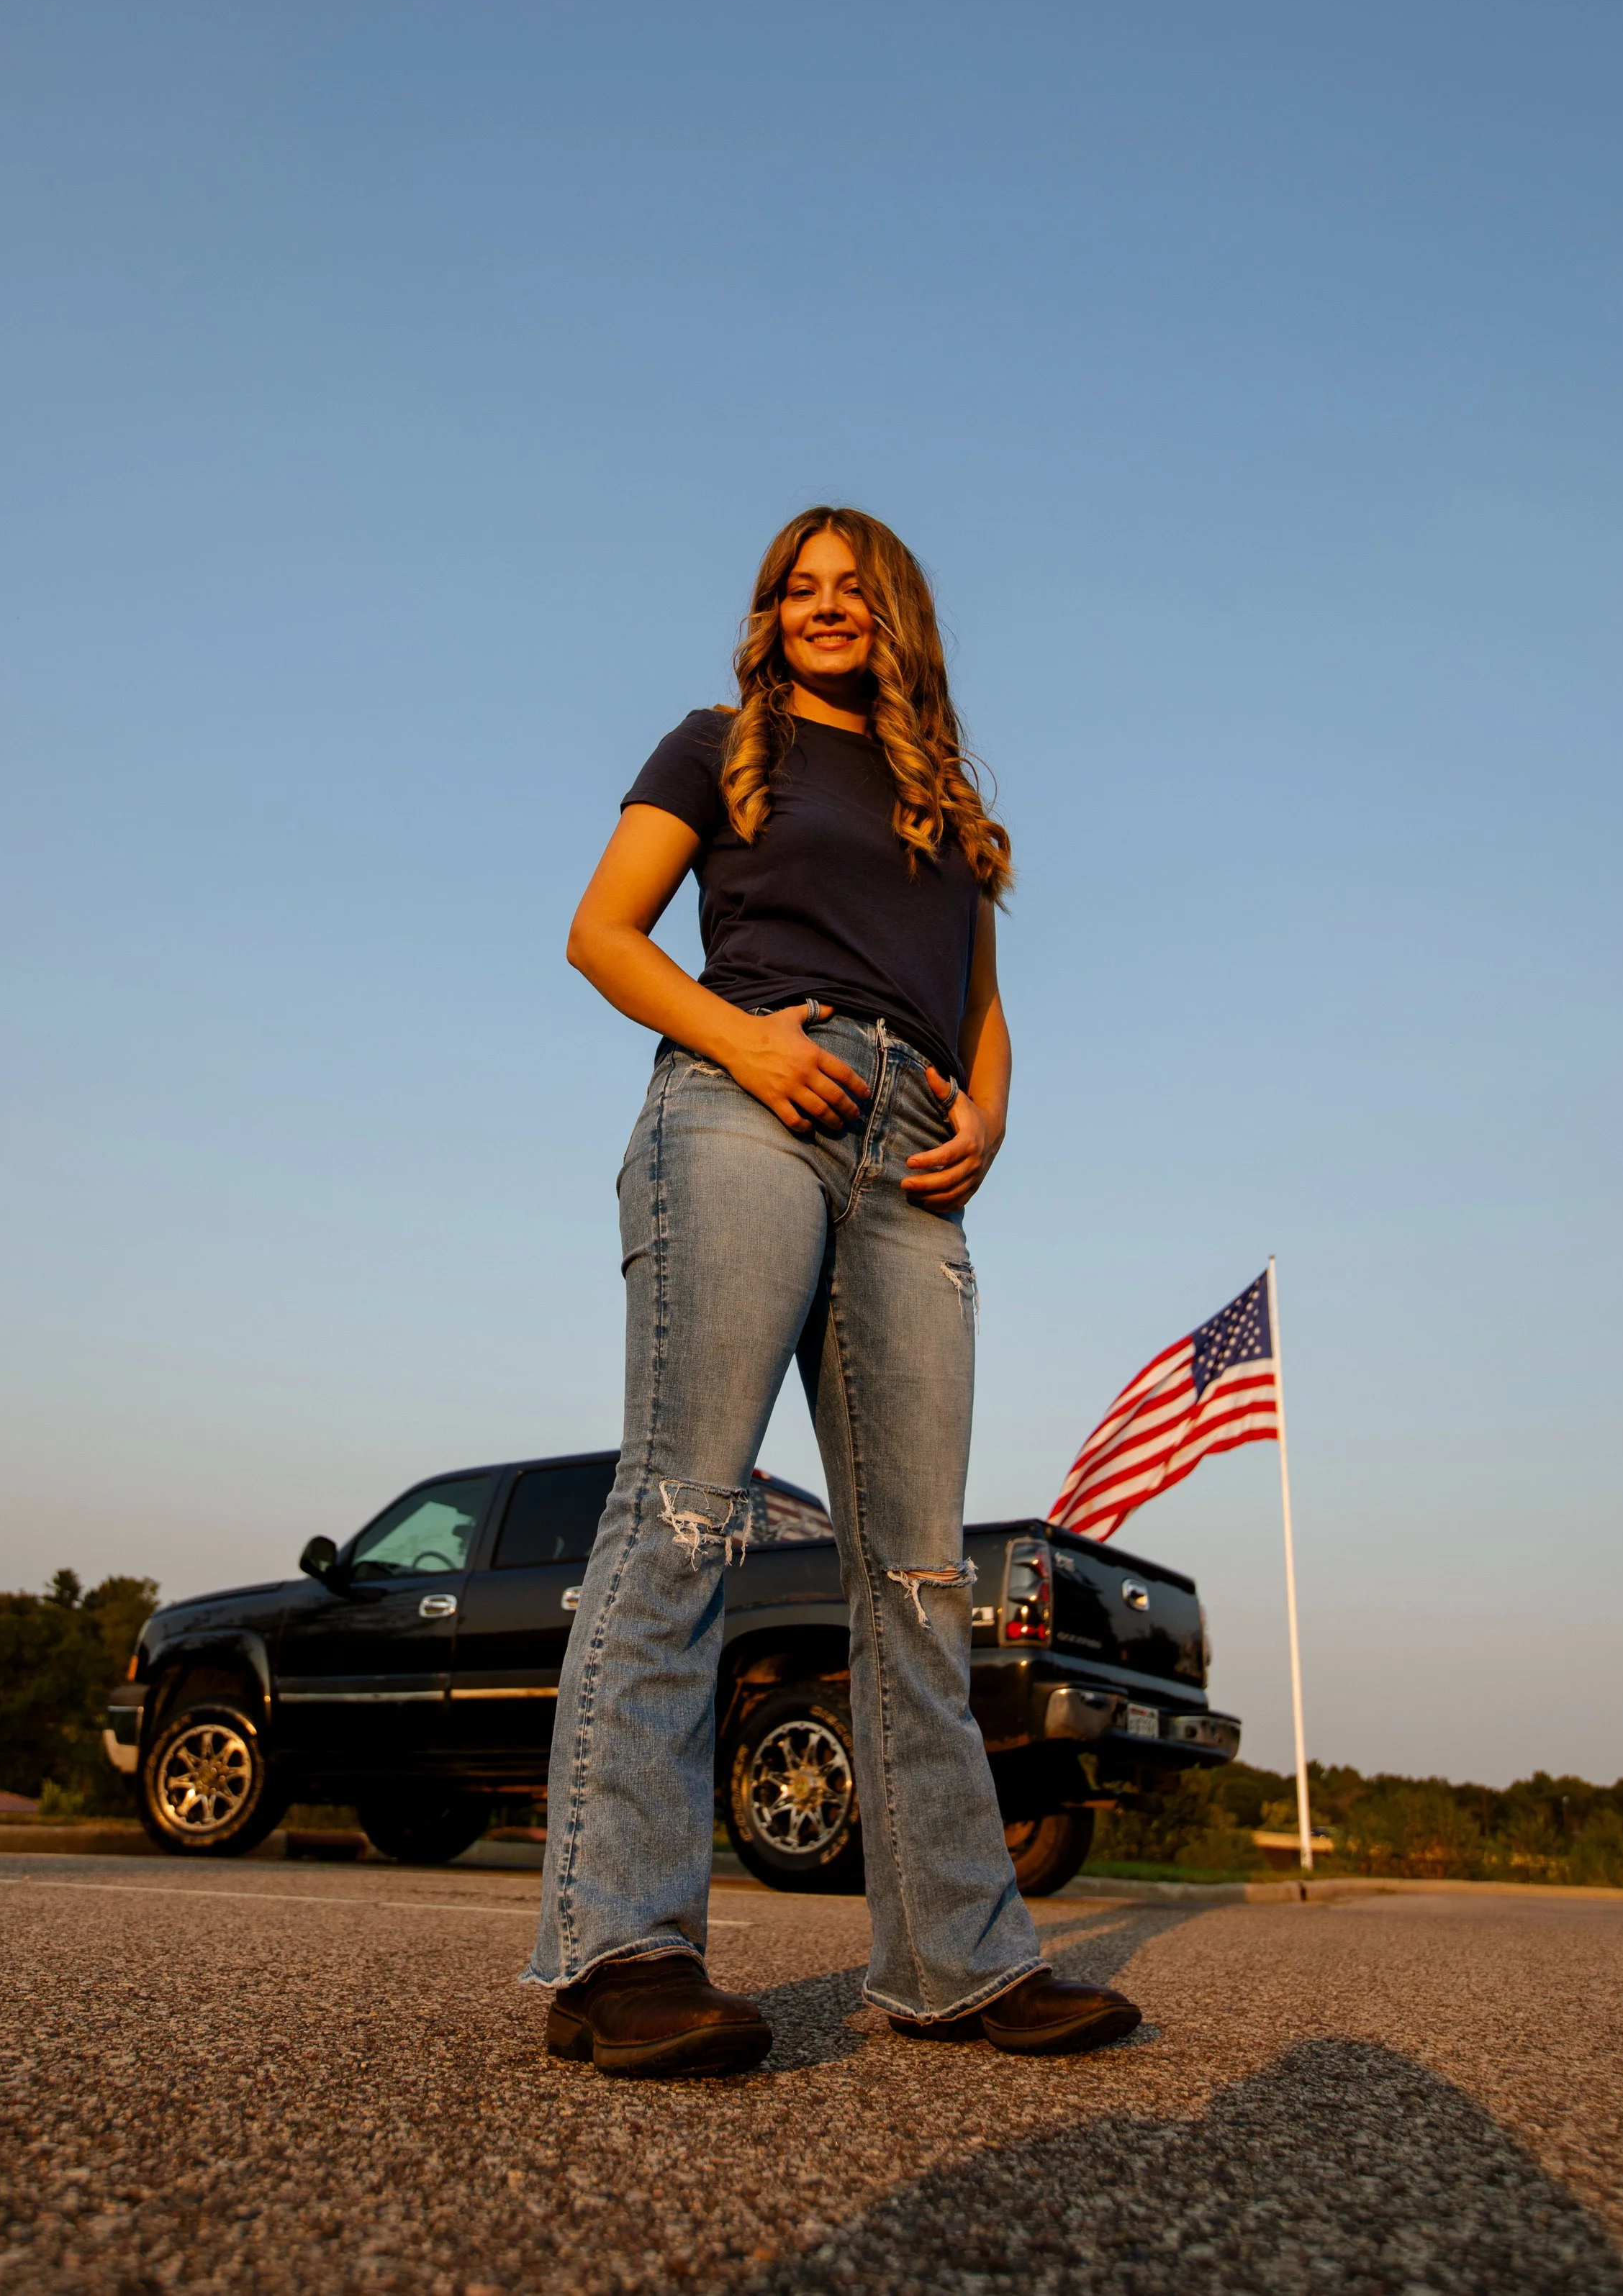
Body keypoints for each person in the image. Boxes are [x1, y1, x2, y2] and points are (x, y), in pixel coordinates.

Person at [522, 508, 1141, 2077]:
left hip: (910, 1155)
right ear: (767, 614)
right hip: (746, 1102)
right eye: (795, 588)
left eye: (849, 588)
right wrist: (744, 1044)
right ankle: (621, 1948)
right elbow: (603, 934)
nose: (820, 606)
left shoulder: (945, 805)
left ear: (896, 616)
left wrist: (989, 1119)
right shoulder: (716, 747)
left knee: (919, 1574)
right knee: (686, 1511)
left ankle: (955, 1959)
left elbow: (980, 1006)